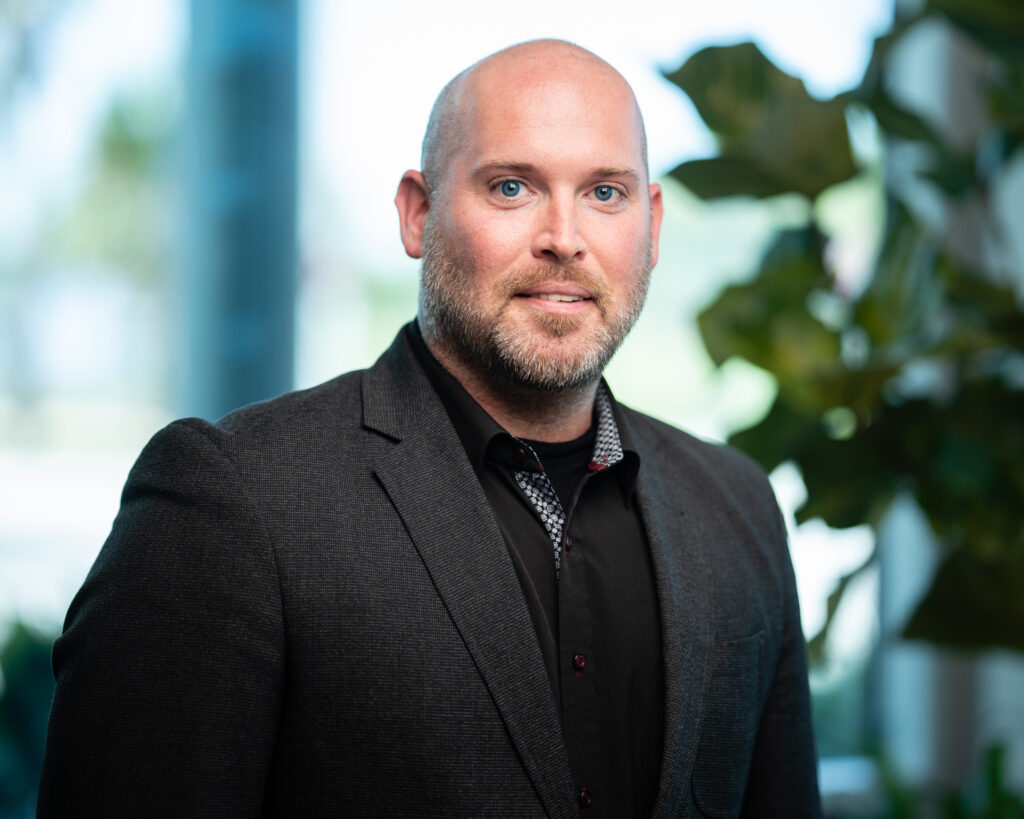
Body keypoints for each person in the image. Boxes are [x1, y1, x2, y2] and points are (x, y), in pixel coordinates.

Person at [37, 39, 822, 818]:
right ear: (418, 213)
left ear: (650, 226)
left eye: (605, 193)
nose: (565, 237)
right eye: (512, 186)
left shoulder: (739, 508)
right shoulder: (234, 502)